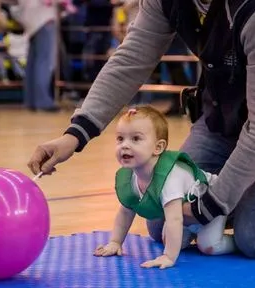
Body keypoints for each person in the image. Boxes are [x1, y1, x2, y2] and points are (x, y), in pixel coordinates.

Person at [28, 0, 255, 261]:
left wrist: (208, 205)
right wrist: (74, 135)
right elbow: (130, 59)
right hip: (226, 106)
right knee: (160, 217)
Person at [94, 106, 236, 269]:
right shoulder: (130, 176)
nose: (124, 146)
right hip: (186, 215)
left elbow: (174, 218)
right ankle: (194, 232)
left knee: (209, 246)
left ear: (158, 147)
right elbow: (126, 211)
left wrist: (169, 256)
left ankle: (237, 242)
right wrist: (115, 242)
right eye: (120, 139)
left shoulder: (169, 178)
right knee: (171, 240)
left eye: (135, 139)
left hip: (211, 204)